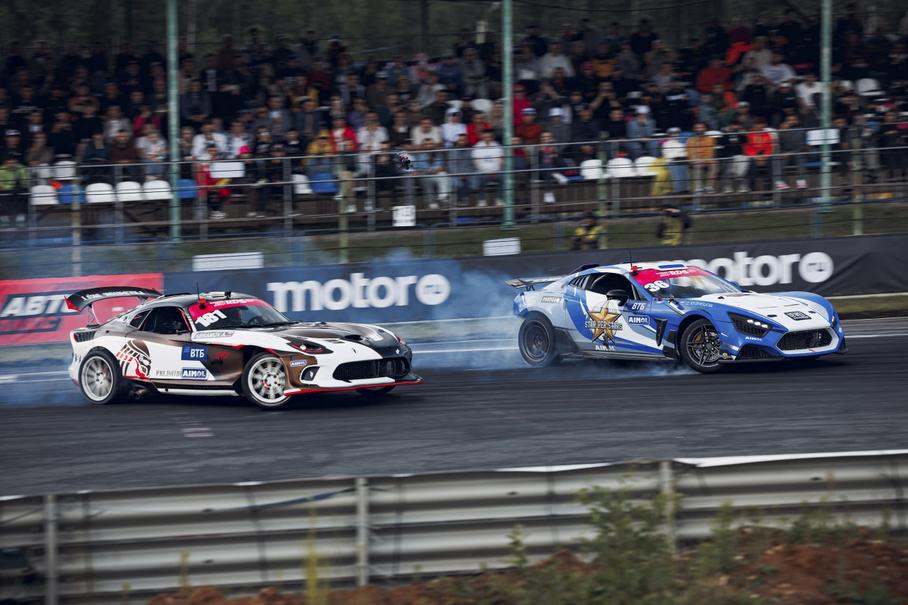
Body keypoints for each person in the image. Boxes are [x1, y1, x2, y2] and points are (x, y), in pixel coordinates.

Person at [470, 129, 503, 207]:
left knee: (503, 177)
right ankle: (482, 200)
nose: (487, 139)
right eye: (485, 137)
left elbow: (501, 160)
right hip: (482, 171)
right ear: (482, 137)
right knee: (480, 177)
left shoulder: (497, 146)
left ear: (492, 137)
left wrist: (496, 171)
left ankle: (499, 199)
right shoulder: (477, 146)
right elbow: (476, 162)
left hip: (495, 171)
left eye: (489, 137)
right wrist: (486, 171)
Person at [686, 122, 718, 193]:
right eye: (697, 128)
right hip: (695, 160)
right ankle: (698, 187)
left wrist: (704, 160)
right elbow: (690, 153)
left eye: (701, 127)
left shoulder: (710, 139)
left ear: (705, 129)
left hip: (706, 160)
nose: (699, 129)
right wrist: (696, 160)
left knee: (714, 163)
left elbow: (710, 153)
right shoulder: (691, 140)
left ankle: (709, 187)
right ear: (694, 129)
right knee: (697, 163)